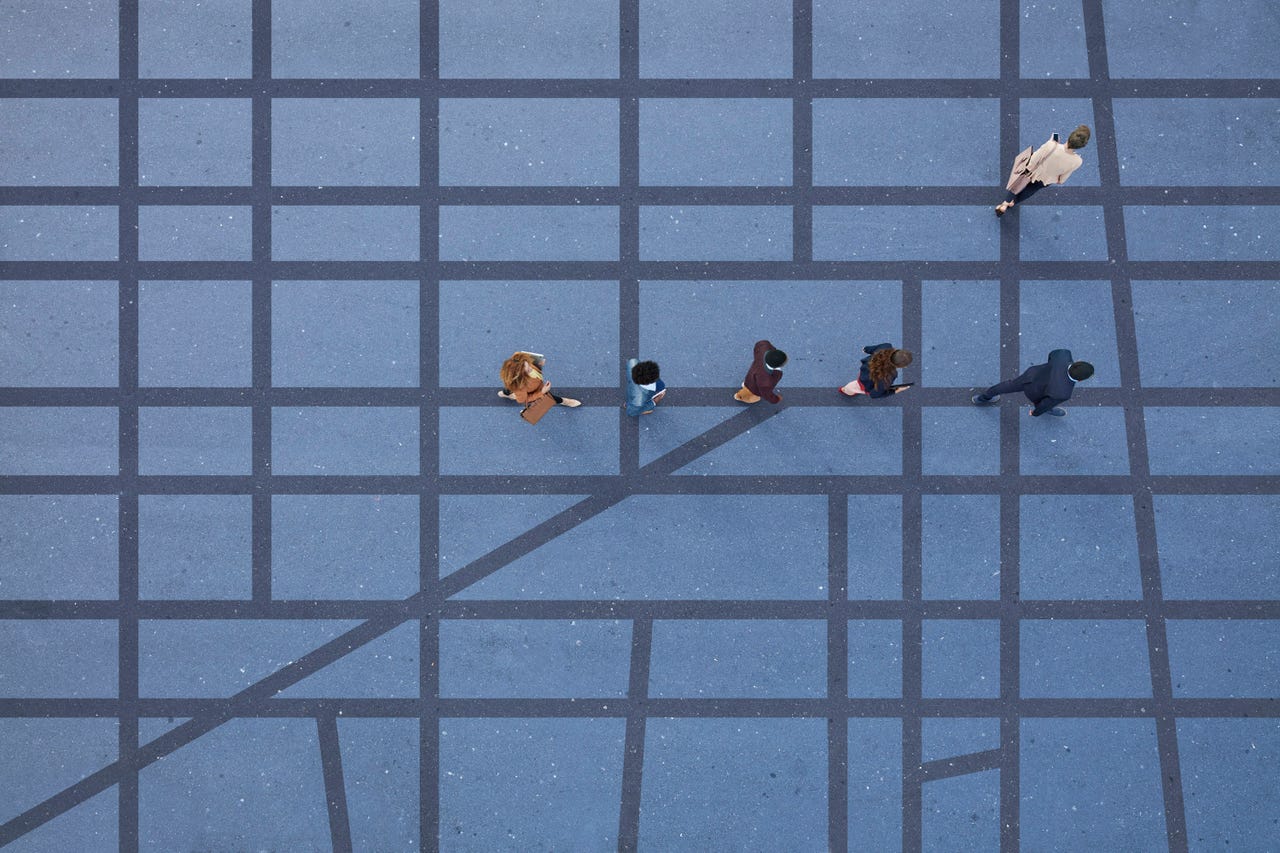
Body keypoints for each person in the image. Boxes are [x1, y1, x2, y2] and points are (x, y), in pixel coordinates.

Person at [996, 124, 1091, 216]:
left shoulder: (1051, 145)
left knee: (1017, 185)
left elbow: (1034, 160)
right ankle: (1014, 202)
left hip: (1033, 172)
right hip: (1046, 180)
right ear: (1081, 146)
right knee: (1031, 190)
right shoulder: (1078, 161)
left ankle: (1004, 204)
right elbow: (1062, 179)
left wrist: (1052, 144)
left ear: (1070, 136)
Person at [971, 349, 1094, 417]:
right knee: (1047, 403)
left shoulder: (1064, 355)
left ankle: (983, 398)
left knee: (1007, 385)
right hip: (1036, 393)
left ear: (1077, 362)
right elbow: (1045, 403)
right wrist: (1035, 413)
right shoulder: (1063, 393)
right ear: (1080, 380)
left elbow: (1052, 355)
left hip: (1030, 376)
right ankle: (1049, 411)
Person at [498, 351, 581, 408]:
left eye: (528, 365)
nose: (531, 369)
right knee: (549, 397)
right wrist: (542, 392)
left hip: (515, 383)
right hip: (532, 389)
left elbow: (520, 356)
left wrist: (538, 361)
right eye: (527, 370)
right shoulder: (520, 387)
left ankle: (507, 393)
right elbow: (524, 399)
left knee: (508, 388)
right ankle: (564, 401)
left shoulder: (518, 360)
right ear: (520, 376)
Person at [840, 343, 913, 398]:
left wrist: (866, 349)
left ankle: (847, 390)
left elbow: (869, 349)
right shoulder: (888, 376)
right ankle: (845, 390)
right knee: (855, 387)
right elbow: (875, 394)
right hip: (866, 383)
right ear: (901, 366)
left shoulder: (886, 346)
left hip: (864, 372)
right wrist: (896, 391)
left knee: (856, 384)